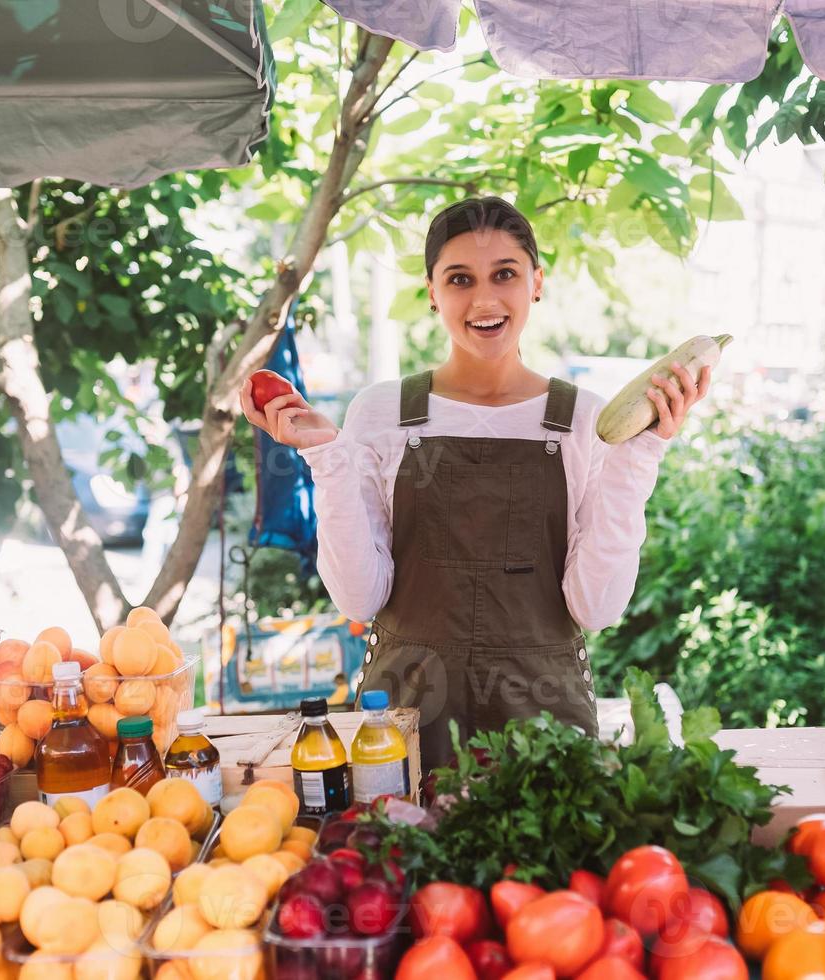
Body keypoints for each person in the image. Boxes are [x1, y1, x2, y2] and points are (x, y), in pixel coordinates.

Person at [240, 197, 710, 768]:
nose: (484, 300)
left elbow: (595, 607)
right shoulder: (381, 411)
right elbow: (359, 597)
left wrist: (643, 453)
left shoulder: (586, 418)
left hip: (544, 717)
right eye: (459, 279)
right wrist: (326, 457)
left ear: (538, 282)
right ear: (432, 291)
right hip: (407, 718)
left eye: (505, 274)